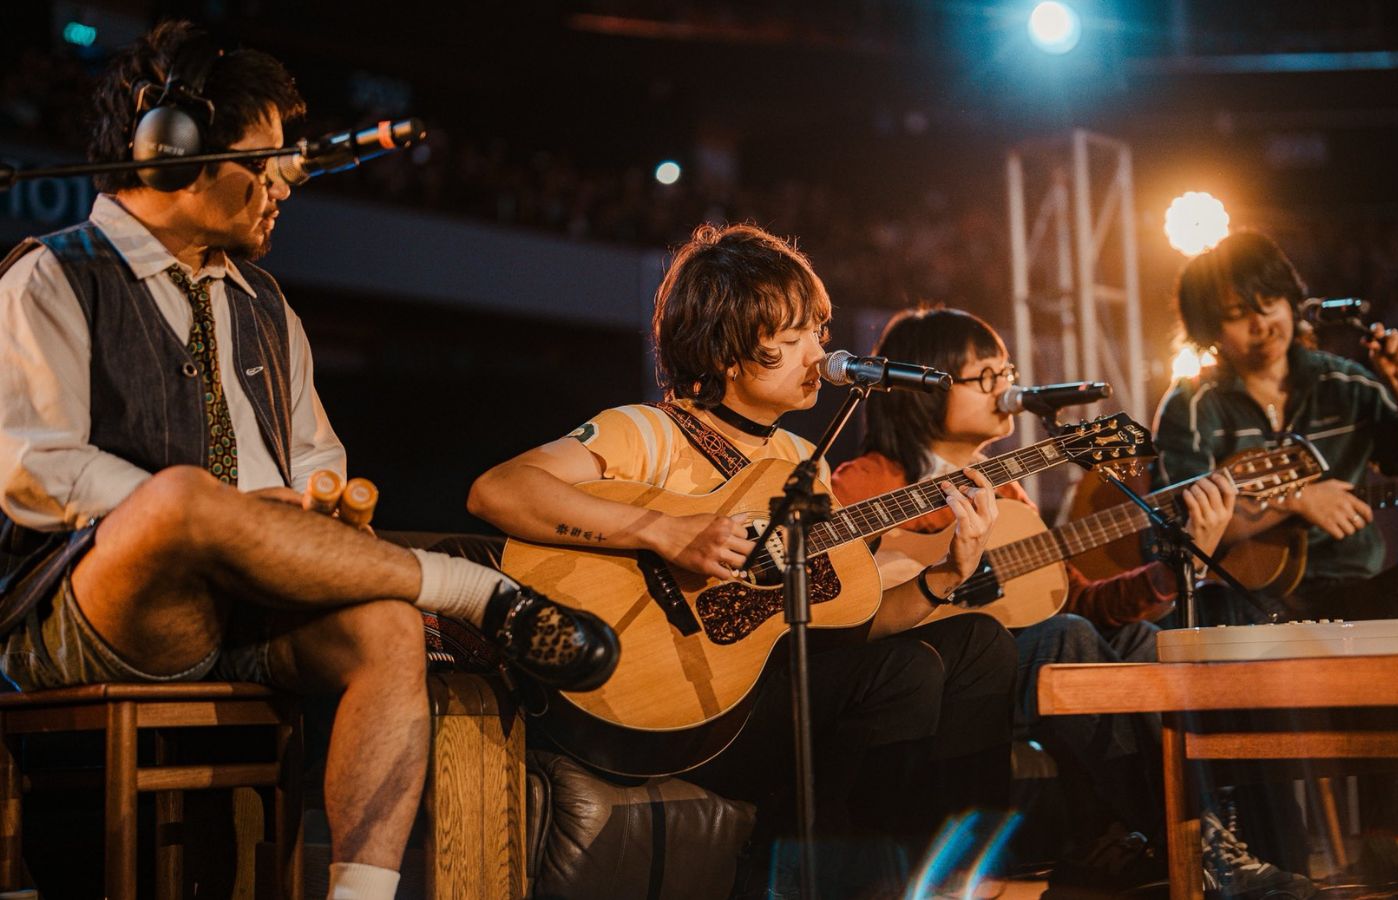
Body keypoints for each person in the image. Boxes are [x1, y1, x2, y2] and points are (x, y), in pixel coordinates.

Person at [0, 22, 612, 900]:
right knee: (180, 501)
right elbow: (35, 473)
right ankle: (472, 592)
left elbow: (317, 455)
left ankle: (360, 894)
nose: (288, 180)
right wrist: (222, 519)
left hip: (244, 604)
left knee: (389, 629)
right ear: (169, 153)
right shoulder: (50, 278)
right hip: (84, 611)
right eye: (267, 159)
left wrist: (323, 508)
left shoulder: (266, 303)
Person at [469, 224, 1016, 895]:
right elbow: (499, 489)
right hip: (672, 704)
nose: (824, 350)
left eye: (820, 329)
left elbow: (839, 630)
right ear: (734, 355)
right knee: (904, 675)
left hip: (768, 688)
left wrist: (945, 578)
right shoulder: (648, 432)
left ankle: (969, 876)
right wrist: (667, 532)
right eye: (799, 337)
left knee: (978, 644)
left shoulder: (797, 464)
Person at [827, 307, 1238, 884]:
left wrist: (1171, 574)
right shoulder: (867, 481)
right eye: (986, 376)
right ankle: (1177, 842)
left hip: (1024, 667)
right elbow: (842, 598)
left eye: (1008, 371)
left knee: (1140, 637)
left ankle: (1187, 838)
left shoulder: (1008, 488)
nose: (1009, 389)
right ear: (927, 387)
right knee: (1065, 638)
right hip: (944, 680)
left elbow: (1075, 602)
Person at [1154, 230, 1398, 622]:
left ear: (1292, 302)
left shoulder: (1344, 384)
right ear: (1209, 329)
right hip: (1243, 598)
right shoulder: (1191, 405)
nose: (1261, 324)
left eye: (1269, 303)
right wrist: (1298, 499)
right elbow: (1182, 521)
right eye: (1236, 314)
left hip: (1352, 584)